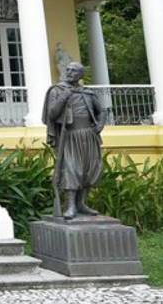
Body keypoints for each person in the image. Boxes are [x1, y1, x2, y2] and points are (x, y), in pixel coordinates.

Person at [43, 61, 105, 220]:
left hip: (89, 135)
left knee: (89, 168)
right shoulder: (57, 91)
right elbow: (51, 114)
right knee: (71, 168)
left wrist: (99, 125)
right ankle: (69, 205)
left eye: (74, 70)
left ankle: (81, 204)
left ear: (80, 75)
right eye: (68, 70)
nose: (69, 72)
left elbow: (101, 111)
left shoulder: (87, 93)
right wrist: (65, 96)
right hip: (70, 135)